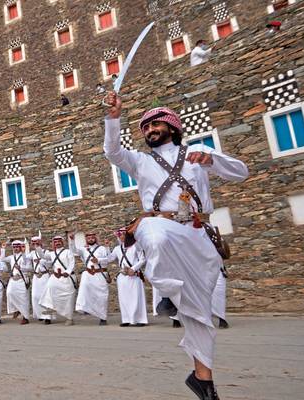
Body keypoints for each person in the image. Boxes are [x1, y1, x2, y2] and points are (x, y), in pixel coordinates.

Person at [102, 91, 248, 400]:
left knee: (200, 314)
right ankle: (167, 294)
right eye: (145, 127)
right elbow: (112, 152)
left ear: (172, 126)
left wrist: (213, 160)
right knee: (155, 233)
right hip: (162, 224)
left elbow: (241, 172)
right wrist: (113, 118)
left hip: (198, 233)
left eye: (155, 124)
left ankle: (203, 380)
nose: (150, 130)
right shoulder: (139, 161)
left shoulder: (198, 153)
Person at [102, 228, 148, 327]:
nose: (122, 236)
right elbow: (110, 259)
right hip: (122, 276)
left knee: (136, 297)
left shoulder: (136, 246)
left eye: (124, 234)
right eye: (120, 235)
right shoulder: (117, 249)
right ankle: (126, 319)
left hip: (134, 275)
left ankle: (139, 319)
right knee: (124, 298)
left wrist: (133, 269)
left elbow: (143, 259)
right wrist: (106, 248)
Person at [69, 232, 111, 325]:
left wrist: (98, 260)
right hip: (88, 274)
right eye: (89, 238)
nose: (91, 239)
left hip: (100, 274)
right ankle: (85, 308)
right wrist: (72, 240)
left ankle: (102, 317)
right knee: (84, 291)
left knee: (101, 296)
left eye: (92, 237)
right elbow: (74, 251)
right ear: (86, 239)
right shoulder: (84, 249)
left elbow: (108, 258)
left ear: (95, 238)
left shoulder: (102, 248)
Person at [40, 235, 77, 325]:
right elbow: (43, 256)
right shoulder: (51, 254)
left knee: (68, 298)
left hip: (67, 277)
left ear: (62, 242)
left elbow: (72, 262)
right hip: (56, 276)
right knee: (49, 287)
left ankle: (69, 318)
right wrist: (38, 246)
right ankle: (50, 306)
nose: (57, 243)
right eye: (55, 242)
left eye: (59, 241)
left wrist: (67, 272)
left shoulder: (68, 252)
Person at [0, 240, 32, 325]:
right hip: (13, 279)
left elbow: (30, 268)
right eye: (14, 247)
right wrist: (3, 248)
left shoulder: (26, 257)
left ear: (21, 247)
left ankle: (25, 317)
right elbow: (2, 259)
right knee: (9, 293)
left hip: (22, 279)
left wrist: (21, 268)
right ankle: (16, 310)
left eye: (17, 247)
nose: (16, 249)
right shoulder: (11, 257)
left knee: (24, 298)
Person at [29, 236, 53, 324]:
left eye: (37, 242)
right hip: (36, 276)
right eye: (33, 243)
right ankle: (40, 315)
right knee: (35, 296)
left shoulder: (47, 252)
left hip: (44, 275)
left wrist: (42, 261)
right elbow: (24, 258)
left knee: (46, 296)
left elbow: (50, 263)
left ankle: (48, 317)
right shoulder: (32, 253)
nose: (35, 244)